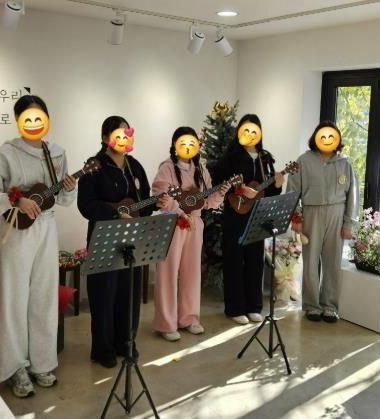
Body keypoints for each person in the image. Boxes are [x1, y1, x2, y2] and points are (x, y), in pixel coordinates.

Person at [0, 95, 76, 397]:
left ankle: (42, 362)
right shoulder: (5, 153)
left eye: (39, 117)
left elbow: (62, 199)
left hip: (46, 226)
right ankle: (14, 368)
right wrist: (15, 200)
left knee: (44, 295)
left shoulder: (57, 153)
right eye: (27, 118)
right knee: (13, 297)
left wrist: (70, 188)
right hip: (15, 230)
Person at [77, 116, 168, 368]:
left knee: (130, 291)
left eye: (127, 134)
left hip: (133, 238)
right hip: (104, 236)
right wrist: (115, 213)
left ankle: (127, 342)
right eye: (118, 134)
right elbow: (86, 205)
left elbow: (142, 203)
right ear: (105, 138)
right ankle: (103, 349)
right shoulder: (94, 166)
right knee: (104, 293)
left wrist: (155, 203)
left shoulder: (134, 166)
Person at [151, 127, 229, 341]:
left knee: (192, 271)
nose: (187, 147)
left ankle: (189, 318)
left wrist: (220, 194)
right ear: (175, 146)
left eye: (192, 143)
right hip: (172, 223)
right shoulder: (167, 167)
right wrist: (179, 212)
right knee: (167, 273)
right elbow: (161, 194)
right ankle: (166, 323)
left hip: (195, 224)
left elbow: (208, 201)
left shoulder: (201, 169)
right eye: (183, 143)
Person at [287, 121, 359, 322]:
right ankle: (312, 306)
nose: (327, 140)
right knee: (310, 261)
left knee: (332, 262)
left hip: (337, 213)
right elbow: (292, 192)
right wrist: (297, 217)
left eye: (331, 136)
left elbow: (353, 195)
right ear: (316, 138)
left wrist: (349, 224)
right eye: (323, 136)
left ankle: (330, 306)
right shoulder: (303, 161)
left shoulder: (345, 163)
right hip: (311, 213)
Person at [215, 114, 284, 325]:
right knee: (234, 260)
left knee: (255, 260)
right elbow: (219, 185)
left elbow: (268, 192)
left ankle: (254, 306)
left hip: (257, 216)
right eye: (246, 130)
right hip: (234, 215)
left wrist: (277, 184)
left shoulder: (265, 158)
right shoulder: (230, 158)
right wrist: (238, 190)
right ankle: (234, 308)